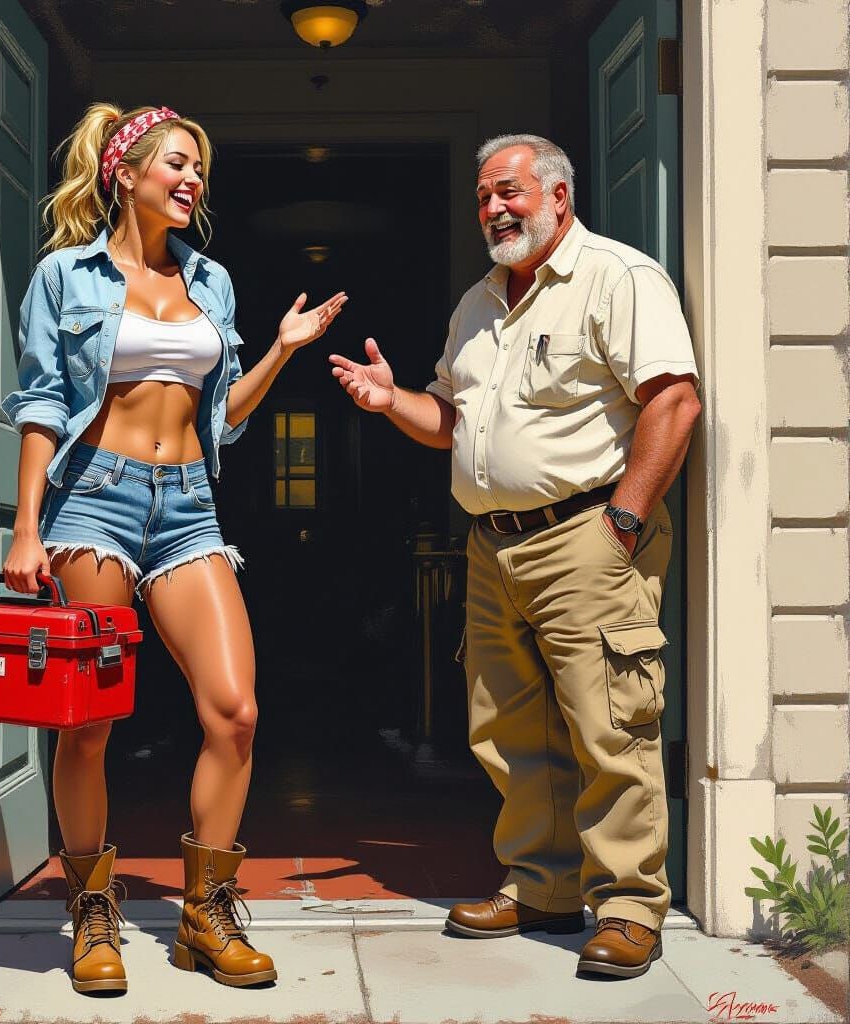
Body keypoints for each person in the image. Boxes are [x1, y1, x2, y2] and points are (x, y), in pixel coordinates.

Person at [330, 133, 700, 979]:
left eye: (511, 192)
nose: (495, 208)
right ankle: (542, 884)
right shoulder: (478, 303)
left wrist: (625, 524)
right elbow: (451, 423)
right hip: (493, 548)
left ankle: (631, 906)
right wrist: (392, 403)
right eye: (485, 197)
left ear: (558, 197)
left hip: (588, 536)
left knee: (612, 725)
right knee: (507, 730)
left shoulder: (619, 278)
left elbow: (673, 402)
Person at [0, 102, 346, 994]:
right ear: (127, 172)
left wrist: (280, 349)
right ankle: (92, 914)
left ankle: (205, 913)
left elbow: (221, 414)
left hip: (189, 506)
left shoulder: (213, 281)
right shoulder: (63, 277)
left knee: (235, 713)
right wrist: (27, 528)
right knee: (91, 723)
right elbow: (41, 404)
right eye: (178, 165)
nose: (193, 182)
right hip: (94, 507)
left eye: (199, 170)